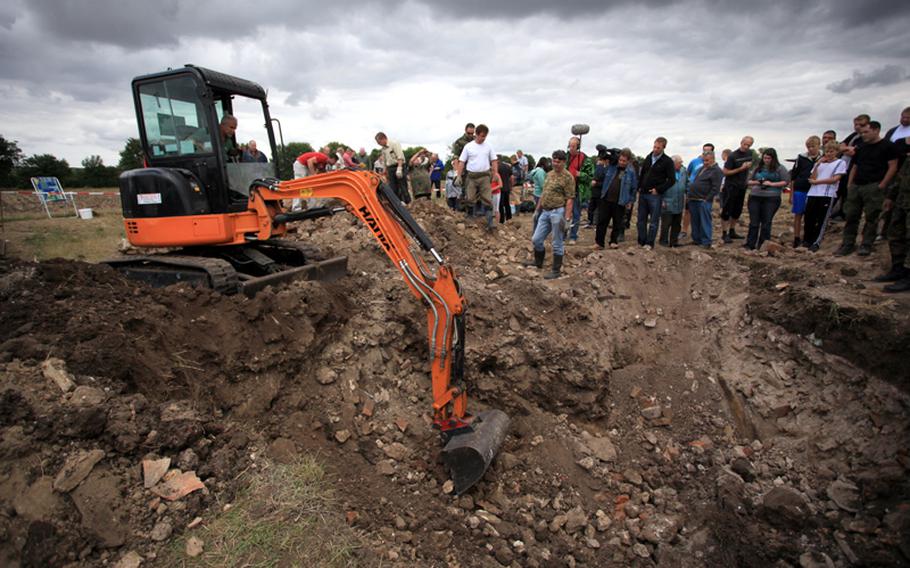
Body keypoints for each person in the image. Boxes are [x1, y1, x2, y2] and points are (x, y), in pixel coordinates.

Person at [835, 121, 900, 256]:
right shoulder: (861, 147)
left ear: (876, 130)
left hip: (874, 185)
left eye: (866, 132)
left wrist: (882, 184)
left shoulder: (888, 146)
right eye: (862, 133)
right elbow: (855, 166)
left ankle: (866, 244)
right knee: (851, 215)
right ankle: (848, 243)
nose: (863, 135)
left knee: (872, 216)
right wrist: (850, 184)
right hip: (857, 185)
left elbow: (893, 166)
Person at [526, 150, 575, 279]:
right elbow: (544, 193)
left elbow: (570, 198)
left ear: (564, 162)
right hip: (545, 211)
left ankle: (556, 270)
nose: (556, 163)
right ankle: (538, 262)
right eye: (554, 161)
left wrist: (567, 218)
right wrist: (537, 210)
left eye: (559, 161)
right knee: (536, 239)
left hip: (558, 212)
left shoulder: (568, 177)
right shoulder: (549, 174)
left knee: (557, 242)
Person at [876, 147, 910, 292]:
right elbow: (901, 177)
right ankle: (898, 269)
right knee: (895, 234)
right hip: (902, 201)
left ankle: (908, 276)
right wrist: (891, 196)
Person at [803, 141, 847, 251]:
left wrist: (818, 182)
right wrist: (817, 164)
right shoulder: (820, 163)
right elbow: (812, 177)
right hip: (813, 193)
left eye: (831, 151)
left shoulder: (840, 163)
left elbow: (835, 179)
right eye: (827, 151)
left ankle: (816, 242)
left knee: (821, 219)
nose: (828, 154)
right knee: (809, 218)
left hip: (826, 194)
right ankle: (807, 241)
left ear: (836, 152)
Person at [457, 124, 501, 230]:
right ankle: (470, 218)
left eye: (485, 136)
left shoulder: (488, 146)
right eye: (481, 136)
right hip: (471, 176)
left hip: (485, 176)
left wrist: (495, 173)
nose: (483, 138)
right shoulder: (468, 147)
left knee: (487, 198)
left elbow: (494, 160)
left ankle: (490, 222)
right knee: (470, 198)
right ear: (476, 134)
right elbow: (462, 161)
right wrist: (458, 175)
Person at [744, 148, 790, 251]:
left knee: (766, 222)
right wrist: (757, 182)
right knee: (754, 222)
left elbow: (786, 181)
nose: (766, 160)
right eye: (765, 158)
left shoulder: (780, 168)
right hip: (755, 195)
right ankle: (750, 244)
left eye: (769, 158)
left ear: (773, 158)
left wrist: (771, 183)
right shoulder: (758, 167)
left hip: (771, 197)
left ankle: (763, 244)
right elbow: (748, 181)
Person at [636, 137, 675, 249]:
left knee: (653, 221)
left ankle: (649, 243)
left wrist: (658, 189)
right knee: (641, 220)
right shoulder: (648, 158)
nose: (655, 149)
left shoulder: (667, 161)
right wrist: (639, 187)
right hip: (643, 193)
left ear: (663, 147)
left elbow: (671, 180)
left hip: (655, 195)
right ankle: (641, 241)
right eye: (654, 146)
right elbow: (642, 173)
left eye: (658, 147)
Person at [594, 148, 637, 249]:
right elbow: (602, 172)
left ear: (628, 161)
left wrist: (630, 201)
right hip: (606, 198)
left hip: (620, 201)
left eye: (624, 161)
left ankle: (613, 241)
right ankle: (599, 243)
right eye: (620, 160)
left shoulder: (630, 172)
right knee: (602, 222)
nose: (621, 162)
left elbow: (634, 188)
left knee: (617, 223)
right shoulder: (612, 166)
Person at [832, 114, 871, 220]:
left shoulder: (866, 138)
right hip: (843, 167)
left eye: (861, 125)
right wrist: (846, 149)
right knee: (838, 190)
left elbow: (854, 152)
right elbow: (839, 146)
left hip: (855, 169)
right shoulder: (854, 135)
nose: (858, 127)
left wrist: (847, 149)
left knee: (847, 192)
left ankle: (844, 214)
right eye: (856, 124)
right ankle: (835, 212)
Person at [687, 150, 724, 248]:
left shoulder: (717, 171)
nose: (705, 162)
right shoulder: (702, 168)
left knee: (705, 221)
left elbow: (715, 188)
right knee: (695, 221)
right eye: (704, 160)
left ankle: (706, 241)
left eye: (707, 161)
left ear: (713, 159)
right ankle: (696, 239)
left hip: (703, 200)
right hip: (693, 198)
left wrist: (707, 199)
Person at [789, 136, 822, 247]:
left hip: (816, 190)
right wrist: (791, 194)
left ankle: (809, 238)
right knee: (798, 214)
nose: (810, 149)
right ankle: (796, 238)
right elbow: (794, 176)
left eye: (813, 146)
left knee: (812, 215)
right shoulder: (801, 158)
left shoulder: (824, 158)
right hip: (800, 189)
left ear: (819, 145)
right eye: (808, 147)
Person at [721, 136, 754, 243]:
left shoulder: (749, 154)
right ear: (741, 142)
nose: (746, 147)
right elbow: (725, 172)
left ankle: (732, 230)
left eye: (749, 145)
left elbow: (748, 169)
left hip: (742, 186)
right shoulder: (732, 156)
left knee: (737, 210)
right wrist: (741, 168)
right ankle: (724, 233)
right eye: (745, 144)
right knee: (727, 209)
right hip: (731, 186)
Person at [683, 143, 715, 239]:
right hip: (692, 195)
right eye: (704, 150)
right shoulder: (695, 162)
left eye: (708, 151)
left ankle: (705, 239)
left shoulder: (714, 168)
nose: (706, 152)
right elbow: (688, 174)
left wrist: (708, 198)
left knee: (704, 218)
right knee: (690, 214)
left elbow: (715, 187)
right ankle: (689, 234)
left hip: (703, 198)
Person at [659, 155, 688, 247]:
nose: (681, 164)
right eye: (680, 163)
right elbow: (660, 187)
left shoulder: (683, 171)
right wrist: (662, 200)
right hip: (668, 201)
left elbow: (686, 183)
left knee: (677, 224)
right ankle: (663, 242)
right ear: (673, 163)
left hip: (679, 202)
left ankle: (674, 242)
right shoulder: (664, 172)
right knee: (666, 224)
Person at [375, 132, 410, 204]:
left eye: (379, 142)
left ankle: (407, 202)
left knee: (403, 185)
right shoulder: (383, 149)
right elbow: (385, 161)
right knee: (393, 187)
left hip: (398, 166)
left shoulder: (394, 144)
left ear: (384, 138)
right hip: (390, 168)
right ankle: (398, 203)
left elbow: (400, 156)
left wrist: (399, 168)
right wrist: (385, 172)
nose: (379, 144)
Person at [566, 136, 587, 244]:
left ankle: (573, 236)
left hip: (577, 189)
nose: (571, 148)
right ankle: (563, 233)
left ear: (578, 147)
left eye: (573, 146)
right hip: (565, 189)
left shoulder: (584, 158)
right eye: (570, 146)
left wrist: (581, 174)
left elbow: (590, 175)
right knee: (563, 213)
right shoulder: (565, 157)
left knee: (576, 213)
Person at [528, 157, 548, 233]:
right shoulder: (540, 172)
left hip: (536, 193)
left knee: (538, 213)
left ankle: (536, 230)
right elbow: (543, 185)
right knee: (539, 214)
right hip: (540, 194)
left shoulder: (535, 171)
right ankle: (536, 231)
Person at [498, 157, 514, 223]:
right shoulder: (507, 166)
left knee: (500, 205)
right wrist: (511, 186)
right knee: (507, 204)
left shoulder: (497, 167)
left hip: (500, 188)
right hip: (507, 188)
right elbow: (512, 177)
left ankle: (501, 220)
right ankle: (509, 217)